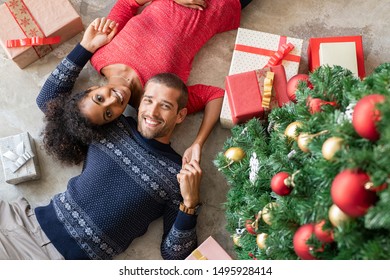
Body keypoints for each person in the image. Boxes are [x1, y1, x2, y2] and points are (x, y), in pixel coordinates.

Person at [0, 70, 202, 259]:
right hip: (20, 224)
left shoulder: (179, 174)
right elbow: (47, 101)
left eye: (165, 106)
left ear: (181, 115)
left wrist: (190, 204)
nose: (153, 112)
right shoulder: (112, 125)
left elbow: (175, 256)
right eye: (148, 101)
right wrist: (86, 47)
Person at [36, 0, 251, 167]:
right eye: (109, 113)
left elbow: (128, 4)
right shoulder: (155, 100)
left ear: (92, 89)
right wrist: (197, 144)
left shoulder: (100, 55)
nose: (113, 100)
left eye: (99, 98)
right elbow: (213, 95)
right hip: (221, 6)